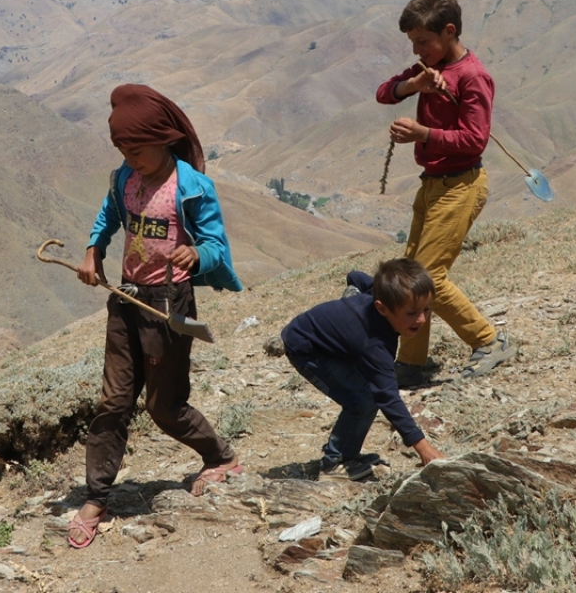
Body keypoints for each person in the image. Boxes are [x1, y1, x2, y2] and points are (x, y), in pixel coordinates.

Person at [68, 83, 244, 549]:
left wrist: (196, 255)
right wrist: (93, 252)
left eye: (138, 150)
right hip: (126, 299)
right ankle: (97, 497)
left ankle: (220, 456)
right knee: (113, 402)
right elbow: (107, 217)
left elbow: (214, 245)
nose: (132, 158)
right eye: (123, 150)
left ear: (164, 140)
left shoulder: (190, 186)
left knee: (164, 405)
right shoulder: (123, 178)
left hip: (169, 303)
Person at [376, 0, 515, 387]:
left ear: (449, 31)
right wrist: (413, 86)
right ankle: (412, 364)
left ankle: (489, 340)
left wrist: (423, 133)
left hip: (461, 185)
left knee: (429, 278)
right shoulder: (427, 72)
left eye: (424, 42)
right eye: (413, 43)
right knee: (411, 278)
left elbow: (475, 140)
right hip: (432, 185)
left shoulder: (473, 77)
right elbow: (385, 93)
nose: (417, 51)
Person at [278, 259, 446, 481]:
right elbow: (387, 397)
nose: (422, 319)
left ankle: (347, 454)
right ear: (382, 308)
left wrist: (345, 312)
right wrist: (423, 447)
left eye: (426, 309)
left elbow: (356, 276)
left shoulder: (380, 294)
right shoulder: (374, 345)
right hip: (307, 350)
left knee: (364, 395)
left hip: (323, 340)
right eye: (412, 312)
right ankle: (334, 462)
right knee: (363, 400)